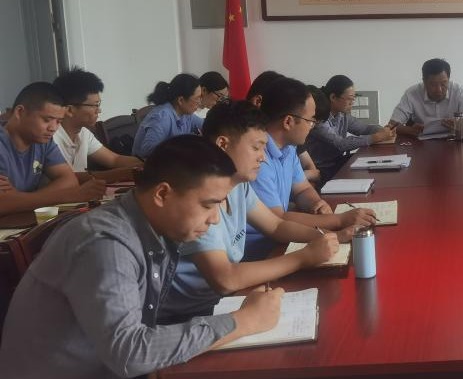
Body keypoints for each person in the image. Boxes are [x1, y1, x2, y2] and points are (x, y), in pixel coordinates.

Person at [0, 136, 282, 379]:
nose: (214, 220)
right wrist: (243, 321)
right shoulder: (105, 244)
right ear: (162, 194)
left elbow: (132, 341)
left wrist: (159, 358)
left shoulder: (150, 230)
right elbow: (130, 352)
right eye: (208, 205)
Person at [162, 101, 346, 320]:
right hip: (190, 315)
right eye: (256, 148)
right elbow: (225, 279)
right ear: (223, 144)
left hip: (225, 299)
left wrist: (326, 237)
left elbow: (276, 225)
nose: (262, 157)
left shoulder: (238, 186)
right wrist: (304, 257)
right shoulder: (198, 195)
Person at [247, 77, 376, 260]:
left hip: (286, 239)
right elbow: (278, 220)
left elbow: (302, 189)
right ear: (288, 122)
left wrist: (316, 203)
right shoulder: (257, 159)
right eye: (310, 120)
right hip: (263, 251)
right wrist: (338, 221)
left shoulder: (289, 148)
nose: (312, 126)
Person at [0, 82, 106, 215]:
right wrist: (70, 196)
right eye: (47, 120)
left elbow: (69, 180)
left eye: (58, 121)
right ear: (20, 112)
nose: (53, 128)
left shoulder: (42, 141)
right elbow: (3, 204)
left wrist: (19, 198)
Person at [51, 67, 142, 182]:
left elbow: (114, 159)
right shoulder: (50, 138)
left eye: (99, 104)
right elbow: (68, 179)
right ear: (70, 110)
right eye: (95, 105)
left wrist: (147, 164)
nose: (99, 110)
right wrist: (122, 173)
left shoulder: (83, 133)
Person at [306, 75, 396, 182]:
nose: (352, 103)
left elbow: (364, 129)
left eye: (354, 99)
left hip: (338, 162)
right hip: (322, 169)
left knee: (376, 164)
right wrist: (376, 137)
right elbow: (341, 144)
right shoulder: (319, 120)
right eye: (350, 99)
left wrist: (383, 130)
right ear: (333, 97)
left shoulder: (342, 115)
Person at [389, 58, 463, 138]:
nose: (439, 90)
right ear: (424, 81)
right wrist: (412, 130)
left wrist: (460, 125)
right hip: (422, 146)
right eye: (433, 84)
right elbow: (391, 125)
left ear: (449, 79)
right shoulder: (412, 93)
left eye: (443, 83)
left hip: (454, 143)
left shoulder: (458, 91)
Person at [132, 73, 204, 157]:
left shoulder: (186, 114)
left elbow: (206, 126)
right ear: (181, 100)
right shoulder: (162, 117)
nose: (200, 102)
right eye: (197, 98)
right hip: (145, 163)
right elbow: (148, 151)